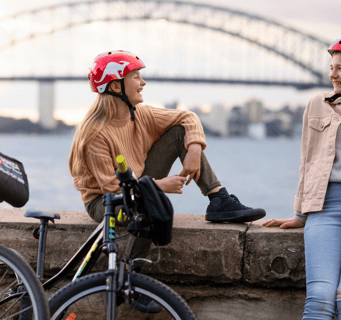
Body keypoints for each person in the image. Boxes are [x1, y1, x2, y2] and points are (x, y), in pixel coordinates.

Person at [69, 50, 266, 227]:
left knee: (181, 132)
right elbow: (114, 189)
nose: (143, 83)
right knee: (147, 211)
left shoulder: (141, 114)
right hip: (107, 203)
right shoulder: (95, 135)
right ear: (116, 87)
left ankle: (219, 200)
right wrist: (160, 186)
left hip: (138, 183)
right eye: (136, 77)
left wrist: (195, 150)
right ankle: (130, 264)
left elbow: (188, 117)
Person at [263, 38, 341, 319]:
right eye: (332, 67)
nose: (333, 74)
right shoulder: (317, 104)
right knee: (320, 297)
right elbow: (307, 163)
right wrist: (300, 213)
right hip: (325, 209)